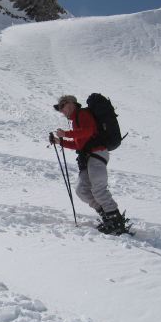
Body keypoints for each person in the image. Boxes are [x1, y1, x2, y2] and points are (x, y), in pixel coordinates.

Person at [50, 94, 128, 235]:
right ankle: (107, 216)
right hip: (88, 157)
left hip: (97, 154)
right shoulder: (75, 121)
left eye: (63, 106)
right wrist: (59, 141)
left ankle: (116, 223)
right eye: (59, 109)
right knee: (82, 190)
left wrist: (66, 134)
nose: (61, 110)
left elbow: (89, 131)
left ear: (72, 103)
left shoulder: (83, 114)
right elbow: (78, 144)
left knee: (98, 189)